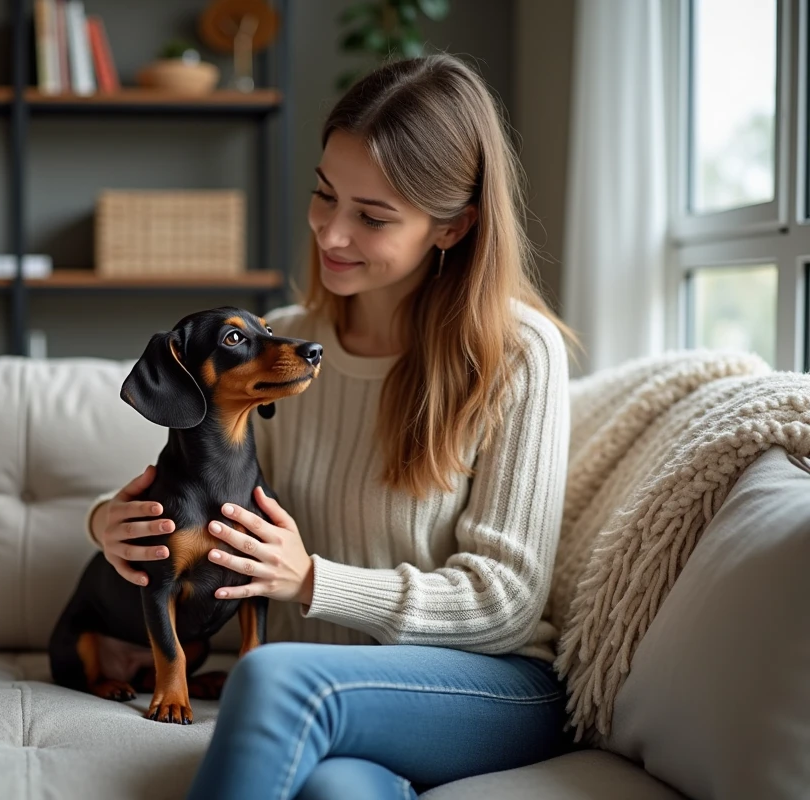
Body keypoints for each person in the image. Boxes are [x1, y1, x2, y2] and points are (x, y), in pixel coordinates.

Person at [83, 53, 582, 800]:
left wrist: (313, 580)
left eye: (372, 216)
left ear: (453, 227)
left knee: (280, 679)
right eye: (325, 196)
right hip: (329, 691)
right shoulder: (280, 349)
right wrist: (106, 525)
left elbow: (506, 600)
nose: (333, 233)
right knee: (338, 792)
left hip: (489, 684)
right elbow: (205, 499)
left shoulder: (515, 354)